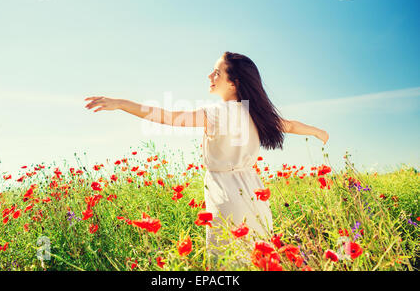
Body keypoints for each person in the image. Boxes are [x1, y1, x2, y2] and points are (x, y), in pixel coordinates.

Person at [84, 51, 329, 257]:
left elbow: (168, 117)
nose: (209, 76)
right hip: (255, 195)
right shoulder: (257, 114)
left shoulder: (218, 113)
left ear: (234, 83)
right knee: (259, 258)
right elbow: (293, 125)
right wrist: (319, 133)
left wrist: (121, 104)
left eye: (216, 73)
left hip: (227, 197)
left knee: (227, 264)